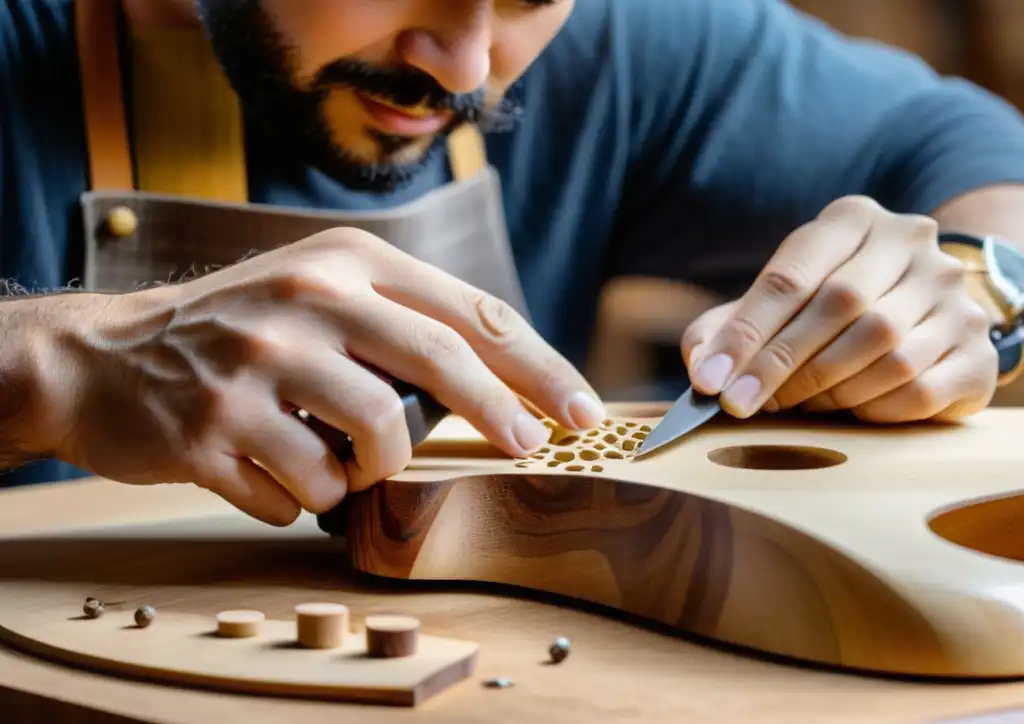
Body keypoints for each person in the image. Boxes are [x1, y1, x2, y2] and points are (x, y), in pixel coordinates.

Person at [2, 0, 1023, 526]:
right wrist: (55, 366)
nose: (464, 66)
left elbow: (962, 143)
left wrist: (978, 282)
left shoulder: (607, 44)